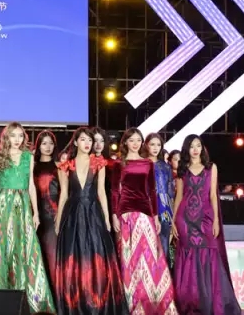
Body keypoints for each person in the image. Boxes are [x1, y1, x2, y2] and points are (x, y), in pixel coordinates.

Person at [0, 122, 55, 313]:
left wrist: (35, 212)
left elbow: (31, 185)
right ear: (6, 137)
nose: (17, 139)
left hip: (23, 205)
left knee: (25, 246)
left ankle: (28, 296)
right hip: (3, 205)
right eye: (13, 135)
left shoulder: (28, 157)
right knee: (2, 246)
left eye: (20, 136)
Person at [55, 127, 124, 315]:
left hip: (93, 213)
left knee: (96, 253)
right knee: (74, 255)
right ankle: (76, 303)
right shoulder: (66, 165)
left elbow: (102, 191)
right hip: (72, 214)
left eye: (90, 140)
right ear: (76, 142)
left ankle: (97, 302)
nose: (87, 143)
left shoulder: (98, 162)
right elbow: (63, 194)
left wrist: (107, 218)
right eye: (83, 139)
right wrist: (58, 221)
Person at [172, 134, 241, 314]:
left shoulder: (211, 168)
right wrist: (173, 221)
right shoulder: (183, 169)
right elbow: (179, 196)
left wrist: (216, 219)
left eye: (198, 145)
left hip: (206, 218)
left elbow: (213, 196)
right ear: (187, 149)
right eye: (192, 146)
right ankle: (190, 302)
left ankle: (210, 302)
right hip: (185, 219)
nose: (195, 149)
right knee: (188, 256)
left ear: (202, 148)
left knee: (209, 254)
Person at [111, 128, 177, 314]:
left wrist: (155, 217)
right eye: (131, 140)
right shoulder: (119, 164)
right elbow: (115, 191)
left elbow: (152, 191)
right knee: (129, 258)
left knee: (149, 257)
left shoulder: (148, 163)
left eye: (138, 140)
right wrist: (115, 214)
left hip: (145, 213)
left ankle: (150, 298)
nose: (135, 143)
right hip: (125, 213)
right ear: (125, 142)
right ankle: (131, 301)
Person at [32, 130, 59, 289]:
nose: (48, 147)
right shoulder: (32, 167)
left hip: (53, 216)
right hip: (35, 215)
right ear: (38, 146)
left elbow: (65, 193)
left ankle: (55, 294)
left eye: (51, 143)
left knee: (53, 255)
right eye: (44, 143)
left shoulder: (58, 167)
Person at [145, 133, 174, 267]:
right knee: (146, 244)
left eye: (158, 145)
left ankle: (164, 275)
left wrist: (172, 215)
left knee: (163, 244)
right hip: (146, 207)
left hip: (164, 209)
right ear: (146, 145)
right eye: (152, 144)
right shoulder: (142, 164)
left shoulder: (166, 167)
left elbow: (170, 192)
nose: (155, 147)